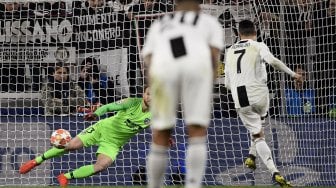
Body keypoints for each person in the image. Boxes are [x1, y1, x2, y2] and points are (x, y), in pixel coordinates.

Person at [142, 0, 224, 186]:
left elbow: (148, 56)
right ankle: (193, 184)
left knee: (161, 133)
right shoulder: (209, 22)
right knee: (196, 131)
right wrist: (207, 83)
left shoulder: (159, 23)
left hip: (163, 70)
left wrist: (152, 84)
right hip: (196, 69)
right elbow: (213, 55)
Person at [19, 87, 152, 187]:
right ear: (143, 94)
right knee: (70, 146)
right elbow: (108, 107)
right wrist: (96, 114)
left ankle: (65, 177)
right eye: (148, 93)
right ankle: (36, 161)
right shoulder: (132, 102)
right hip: (101, 129)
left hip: (113, 143)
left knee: (101, 166)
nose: (150, 97)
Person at [224, 20, 302, 187]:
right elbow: (272, 61)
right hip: (259, 94)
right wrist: (292, 74)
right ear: (255, 33)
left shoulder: (229, 50)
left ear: (239, 34)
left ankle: (273, 171)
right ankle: (253, 157)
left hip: (240, 98)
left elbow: (227, 84)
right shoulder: (259, 45)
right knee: (259, 127)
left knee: (258, 136)